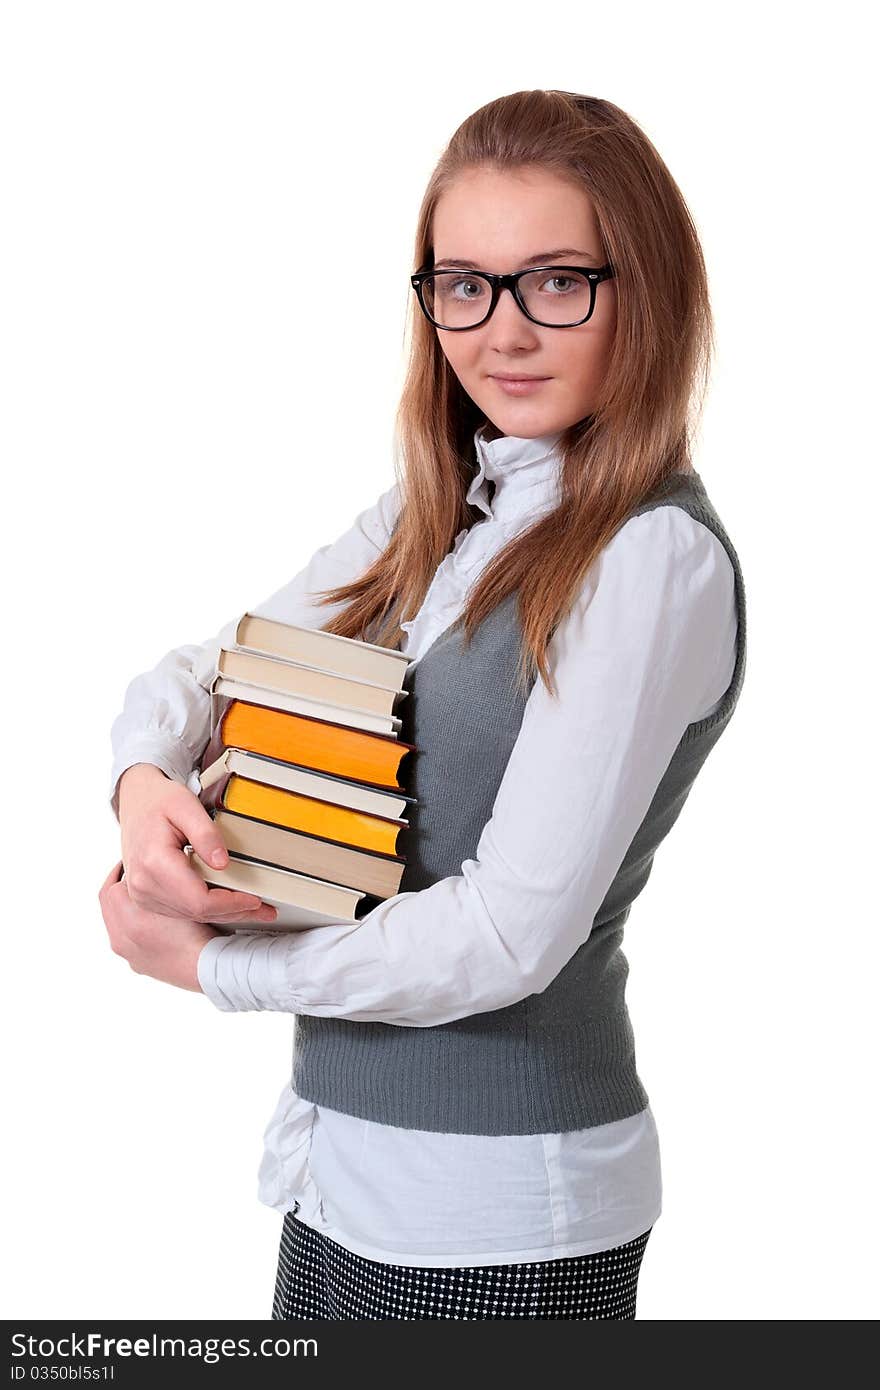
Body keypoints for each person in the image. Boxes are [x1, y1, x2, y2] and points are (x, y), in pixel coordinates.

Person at [101, 89, 747, 1321]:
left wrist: (220, 968)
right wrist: (143, 783)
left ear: (644, 292)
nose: (500, 333)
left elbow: (506, 935)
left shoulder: (650, 560)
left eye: (556, 281)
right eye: (463, 284)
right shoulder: (441, 509)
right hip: (340, 1169)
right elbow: (214, 670)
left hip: (496, 1213)